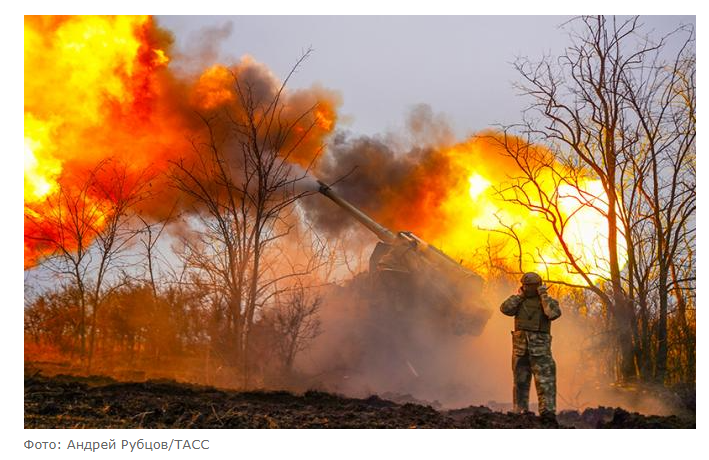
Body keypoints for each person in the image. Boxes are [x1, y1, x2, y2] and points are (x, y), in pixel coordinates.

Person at [500, 272, 561, 425]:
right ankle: (520, 412)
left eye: (530, 286)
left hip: (541, 352)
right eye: (525, 285)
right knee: (520, 383)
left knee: (545, 383)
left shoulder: (548, 302)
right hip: (520, 350)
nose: (527, 288)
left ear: (538, 286)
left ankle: (547, 414)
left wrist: (543, 296)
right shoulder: (519, 301)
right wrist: (519, 297)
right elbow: (505, 309)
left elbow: (553, 314)